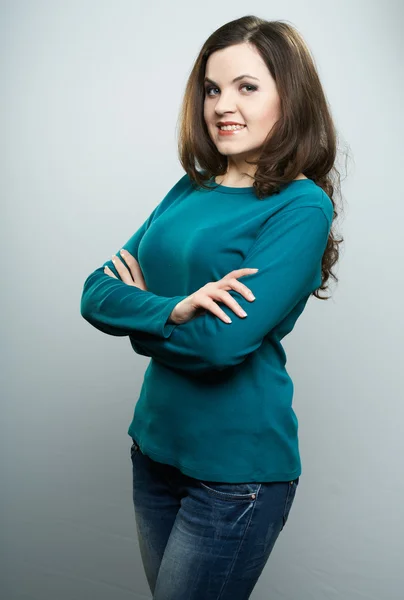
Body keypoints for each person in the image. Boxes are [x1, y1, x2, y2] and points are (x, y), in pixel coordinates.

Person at [80, 15, 344, 600]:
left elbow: (224, 346)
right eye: (212, 88)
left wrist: (143, 318)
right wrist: (173, 311)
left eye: (247, 87)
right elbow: (94, 292)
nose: (224, 104)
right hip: (152, 448)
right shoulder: (190, 187)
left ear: (289, 97)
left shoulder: (301, 208)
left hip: (234, 474)